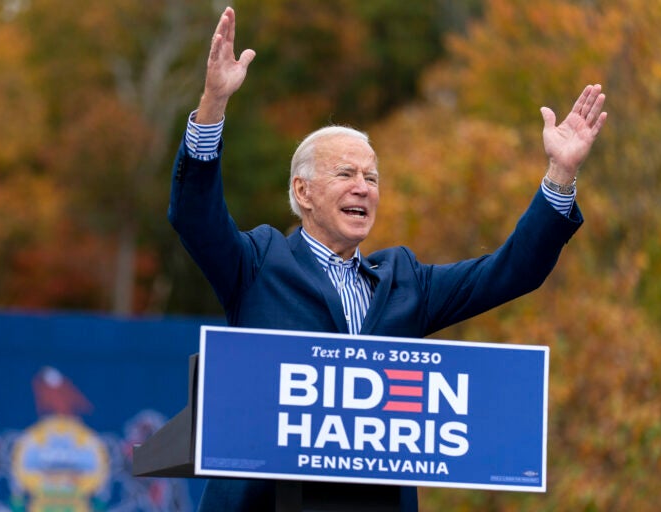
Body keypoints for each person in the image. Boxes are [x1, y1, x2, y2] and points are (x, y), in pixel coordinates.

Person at [168, 7, 607, 512]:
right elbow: (194, 215)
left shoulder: (405, 283)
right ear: (303, 191)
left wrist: (559, 175)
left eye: (372, 179)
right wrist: (213, 103)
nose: (363, 188)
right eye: (347, 174)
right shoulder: (258, 264)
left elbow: (512, 271)